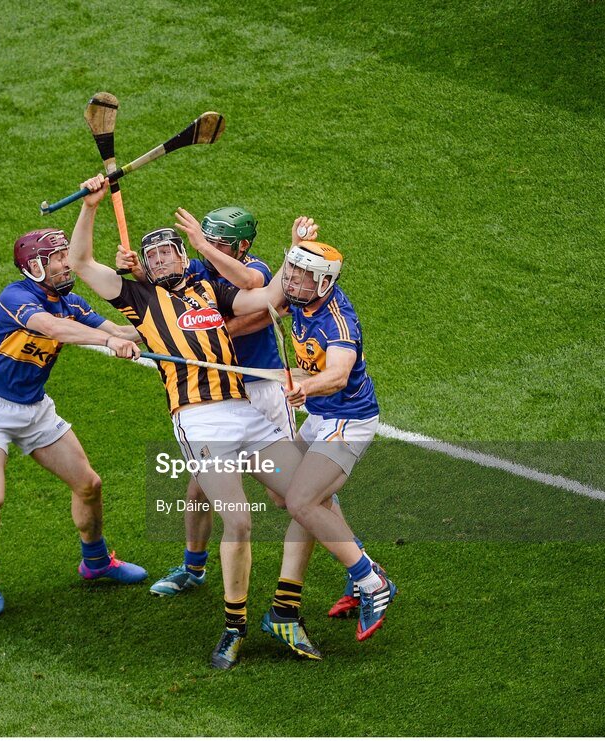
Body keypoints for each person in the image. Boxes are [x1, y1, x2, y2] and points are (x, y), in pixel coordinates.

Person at [68, 175, 308, 670]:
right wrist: (90, 206)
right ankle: (233, 626)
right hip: (200, 422)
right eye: (150, 256)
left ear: (184, 256)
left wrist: (296, 254)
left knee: (308, 495)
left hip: (247, 413)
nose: (158, 259)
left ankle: (293, 606)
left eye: (167, 252)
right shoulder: (137, 298)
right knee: (239, 520)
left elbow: (261, 295)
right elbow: (80, 264)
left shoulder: (209, 289)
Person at [172, 211, 397, 657]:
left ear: (325, 284)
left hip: (347, 422)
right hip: (320, 417)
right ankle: (319, 592)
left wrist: (305, 386)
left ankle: (371, 580)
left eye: (302, 276)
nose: (292, 281)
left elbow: (338, 373)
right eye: (291, 271)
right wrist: (294, 247)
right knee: (291, 498)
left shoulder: (337, 322)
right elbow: (266, 293)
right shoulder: (301, 297)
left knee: (302, 501)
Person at [0, 227, 148, 617]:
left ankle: (96, 561)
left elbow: (119, 331)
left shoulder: (72, 303)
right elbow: (51, 328)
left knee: (89, 485)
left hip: (35, 410)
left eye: (66, 255)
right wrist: (106, 342)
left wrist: (167, 326)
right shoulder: (15, 297)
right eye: (59, 258)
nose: (68, 264)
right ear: (34, 267)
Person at [115, 207, 296, 598]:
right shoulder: (198, 266)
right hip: (214, 396)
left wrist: (201, 332)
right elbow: (165, 282)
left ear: (241, 246)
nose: (208, 249)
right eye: (206, 240)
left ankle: (356, 561)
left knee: (289, 495)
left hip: (260, 389)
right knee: (199, 489)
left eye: (218, 244)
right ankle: (193, 567)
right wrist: (134, 268)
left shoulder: (254, 268)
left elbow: (266, 303)